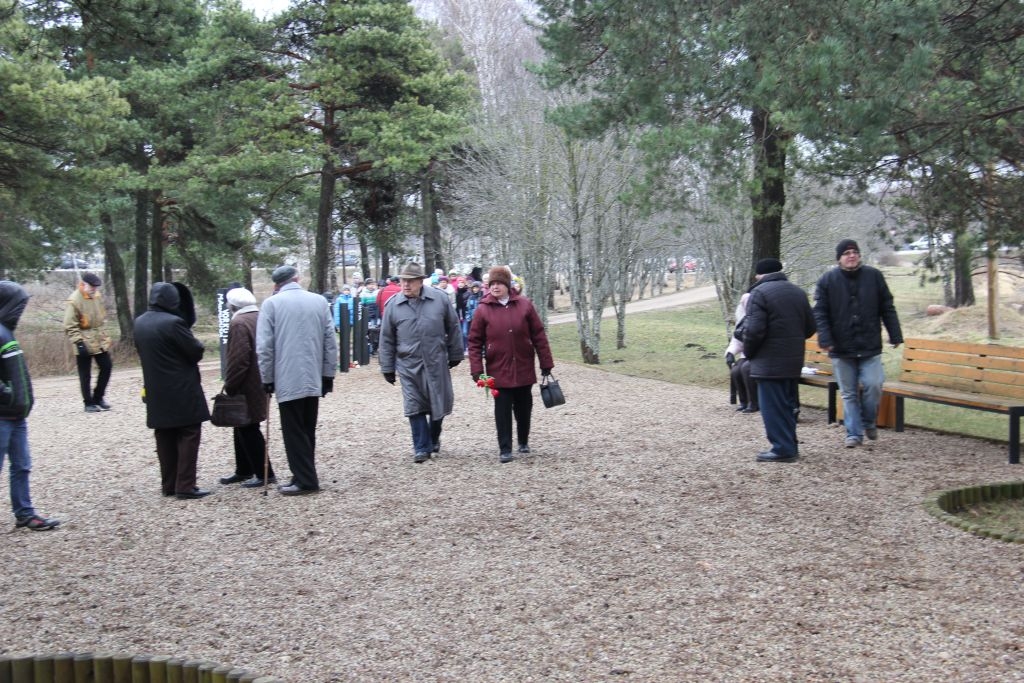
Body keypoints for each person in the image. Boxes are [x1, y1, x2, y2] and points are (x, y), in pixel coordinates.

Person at [813, 238, 903, 448]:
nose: (851, 255)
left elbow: (887, 307)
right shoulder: (827, 280)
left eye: (854, 252)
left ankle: (868, 421)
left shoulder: (874, 276)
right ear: (839, 259)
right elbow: (820, 313)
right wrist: (825, 338)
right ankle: (854, 434)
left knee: (874, 385)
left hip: (869, 345)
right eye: (846, 253)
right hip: (841, 348)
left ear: (859, 255)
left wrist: (895, 334)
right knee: (849, 393)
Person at [257, 265, 337, 495]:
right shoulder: (319, 301)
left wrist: (267, 378)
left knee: (293, 431)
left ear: (276, 285)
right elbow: (330, 341)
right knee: (307, 428)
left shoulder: (271, 304)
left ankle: (306, 480)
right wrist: (327, 374)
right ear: (297, 279)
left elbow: (264, 347)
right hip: (313, 375)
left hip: (286, 376)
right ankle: (303, 473)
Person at [378, 262, 463, 463]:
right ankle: (421, 447)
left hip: (436, 360)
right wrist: (387, 367)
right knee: (414, 405)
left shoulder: (439, 299)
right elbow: (387, 338)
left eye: (410, 281)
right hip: (408, 364)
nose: (405, 285)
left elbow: (453, 327)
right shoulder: (393, 305)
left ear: (420, 281)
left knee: (438, 403)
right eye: (402, 281)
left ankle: (433, 438)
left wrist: (455, 353)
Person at [468, 266, 555, 463]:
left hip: (523, 366)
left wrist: (545, 362)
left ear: (508, 285)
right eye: (492, 284)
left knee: (524, 407)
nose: (495, 287)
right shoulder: (483, 309)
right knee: (502, 408)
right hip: (497, 369)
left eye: (499, 283)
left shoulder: (525, 305)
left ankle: (523, 440)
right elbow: (474, 342)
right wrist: (476, 370)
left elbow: (538, 335)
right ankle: (505, 448)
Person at [133, 282, 212, 498]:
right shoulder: (173, 323)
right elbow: (194, 350)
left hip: (155, 388)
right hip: (181, 387)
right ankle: (185, 485)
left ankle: (168, 484)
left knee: (164, 434)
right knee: (189, 433)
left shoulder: (139, 322)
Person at [742, 258, 816, 463]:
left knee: (772, 407)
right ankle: (789, 444)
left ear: (759, 275)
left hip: (769, 363)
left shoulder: (759, 293)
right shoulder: (798, 292)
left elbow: (754, 330)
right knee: (787, 405)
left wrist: (749, 353)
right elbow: (810, 327)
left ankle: (782, 449)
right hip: (793, 360)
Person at [0, 281, 60, 530]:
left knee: (22, 466)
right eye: (19, 305)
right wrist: (7, 394)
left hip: (17, 417)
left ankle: (24, 513)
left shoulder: (6, 331)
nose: (21, 311)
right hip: (2, 415)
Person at [218, 287, 276, 489]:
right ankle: (244, 469)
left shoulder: (238, 323)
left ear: (232, 305)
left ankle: (264, 472)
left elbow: (238, 359)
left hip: (247, 382)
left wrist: (230, 385)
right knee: (241, 424)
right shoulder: (259, 316)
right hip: (262, 377)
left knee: (248, 427)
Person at [64, 272, 113, 413]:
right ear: (83, 284)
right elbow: (69, 325)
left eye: (96, 287)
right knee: (85, 374)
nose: (94, 290)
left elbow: (100, 318)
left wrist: (105, 336)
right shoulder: (74, 300)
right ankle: (88, 403)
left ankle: (99, 398)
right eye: (92, 287)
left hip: (99, 339)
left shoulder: (97, 296)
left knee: (107, 367)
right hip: (83, 340)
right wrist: (78, 343)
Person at [725, 292, 758, 413]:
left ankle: (754, 402)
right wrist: (730, 353)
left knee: (745, 368)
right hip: (746, 354)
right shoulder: (742, 319)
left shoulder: (759, 318)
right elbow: (736, 340)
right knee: (736, 370)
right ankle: (743, 401)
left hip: (760, 355)